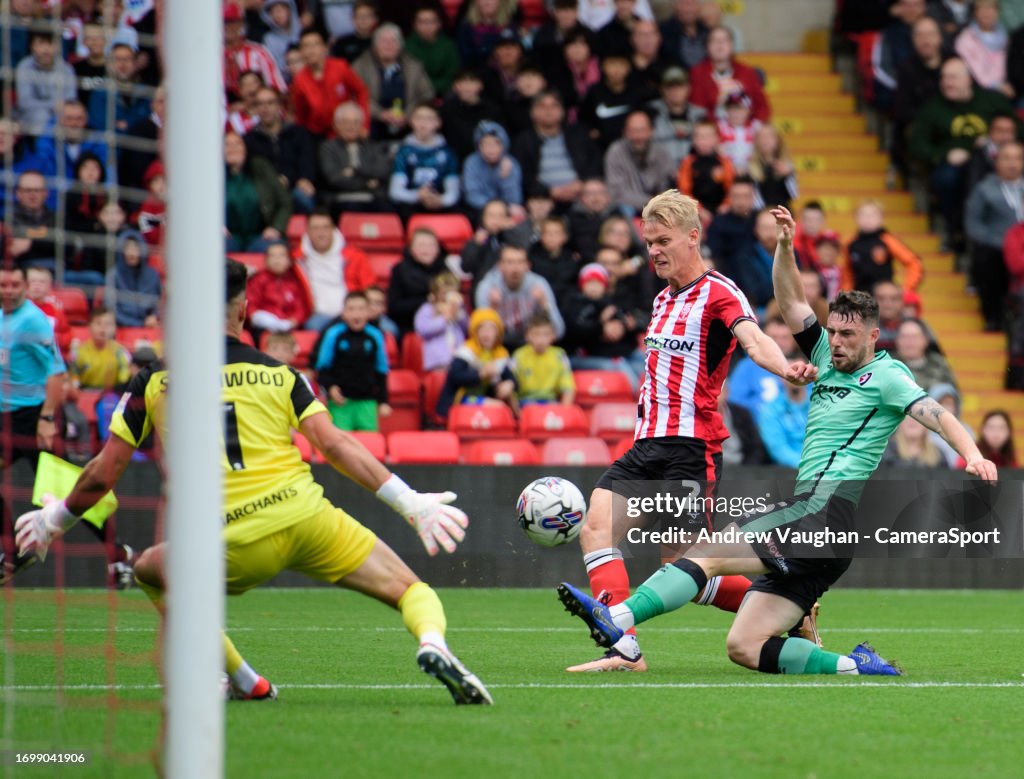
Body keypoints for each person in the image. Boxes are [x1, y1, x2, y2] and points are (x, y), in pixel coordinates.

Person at [14, 260, 492, 705]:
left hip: (227, 541)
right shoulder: (281, 374)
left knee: (148, 570)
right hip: (306, 517)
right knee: (410, 590)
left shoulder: (155, 381)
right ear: (245, 309)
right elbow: (336, 445)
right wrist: (411, 503)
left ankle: (242, 679)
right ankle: (431, 643)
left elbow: (103, 472)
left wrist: (53, 521)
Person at [557, 204, 998, 677]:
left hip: (824, 512)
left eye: (848, 335)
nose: (837, 342)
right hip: (822, 529)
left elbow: (936, 414)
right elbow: (791, 303)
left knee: (704, 553)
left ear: (874, 335)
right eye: (833, 331)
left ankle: (616, 620)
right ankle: (857, 666)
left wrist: (972, 454)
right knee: (744, 647)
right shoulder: (829, 357)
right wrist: (785, 248)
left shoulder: (888, 375)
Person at [563, 190, 817, 672]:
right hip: (645, 446)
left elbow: (753, 337)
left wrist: (784, 369)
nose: (653, 250)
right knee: (596, 527)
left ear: (692, 236)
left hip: (689, 448)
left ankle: (789, 601)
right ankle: (624, 648)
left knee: (683, 567)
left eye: (662, 240)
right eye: (648, 242)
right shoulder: (661, 299)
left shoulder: (720, 291)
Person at [510, 90, 603, 212]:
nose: (548, 111)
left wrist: (581, 183)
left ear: (562, 111)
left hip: (581, 194)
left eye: (554, 106)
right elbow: (523, 177)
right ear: (532, 112)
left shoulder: (578, 134)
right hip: (543, 199)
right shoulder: (523, 141)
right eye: (542, 106)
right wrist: (550, 191)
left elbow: (595, 162)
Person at [964, 141, 1023, 331]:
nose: (1012, 163)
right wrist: (1002, 244)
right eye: (1007, 158)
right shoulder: (984, 188)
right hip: (996, 247)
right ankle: (993, 316)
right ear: (997, 162)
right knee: (986, 261)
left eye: (1018, 158)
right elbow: (973, 224)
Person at [314, 291, 391, 432]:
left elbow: (381, 370)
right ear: (343, 313)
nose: (356, 314)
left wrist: (384, 401)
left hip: (367, 402)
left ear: (368, 312)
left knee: (369, 445)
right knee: (341, 447)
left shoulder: (375, 335)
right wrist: (330, 387)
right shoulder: (333, 334)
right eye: (351, 309)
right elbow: (322, 367)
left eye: (361, 309)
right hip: (341, 403)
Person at [353, 23, 436, 143]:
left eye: (393, 41)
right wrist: (381, 114)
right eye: (383, 41)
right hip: (372, 122)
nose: (388, 45)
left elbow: (427, 94)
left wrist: (408, 114)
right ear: (375, 46)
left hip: (408, 124)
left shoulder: (413, 66)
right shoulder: (360, 66)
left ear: (400, 46)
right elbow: (354, 95)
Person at [474, 244, 565, 351]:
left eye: (520, 262)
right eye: (510, 262)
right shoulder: (487, 287)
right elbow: (481, 336)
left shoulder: (538, 284)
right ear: (500, 266)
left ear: (528, 266)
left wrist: (544, 304)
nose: (515, 268)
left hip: (531, 347)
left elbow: (559, 332)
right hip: (497, 346)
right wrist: (492, 310)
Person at [297, 209, 375, 332]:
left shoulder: (355, 255)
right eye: (315, 228)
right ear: (307, 231)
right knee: (312, 327)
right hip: (318, 315)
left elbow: (368, 286)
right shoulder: (297, 258)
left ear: (333, 229)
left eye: (325, 227)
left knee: (389, 329)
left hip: (353, 313)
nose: (321, 233)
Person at [245, 87, 318, 216]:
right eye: (260, 104)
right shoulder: (249, 140)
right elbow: (250, 172)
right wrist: (274, 182)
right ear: (255, 109)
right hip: (264, 192)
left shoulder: (298, 133)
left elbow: (307, 163)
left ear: (279, 106)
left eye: (270, 103)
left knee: (304, 198)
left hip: (294, 187)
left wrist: (301, 179)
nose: (265, 108)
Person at [435, 307, 514, 418]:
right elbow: (455, 376)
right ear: (474, 332)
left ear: (498, 333)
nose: (487, 334)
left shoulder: (500, 354)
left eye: (491, 329)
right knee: (498, 407)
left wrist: (510, 383)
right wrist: (480, 374)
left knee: (507, 406)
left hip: (485, 396)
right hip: (460, 399)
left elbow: (510, 377)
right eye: (482, 329)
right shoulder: (466, 351)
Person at [291, 27, 370, 139]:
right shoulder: (299, 80)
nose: (310, 50)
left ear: (325, 48)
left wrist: (363, 125)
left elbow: (361, 91)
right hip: (318, 135)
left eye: (315, 45)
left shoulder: (340, 67)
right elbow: (301, 116)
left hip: (348, 130)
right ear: (301, 52)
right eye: (306, 46)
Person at [387, 103, 461, 222]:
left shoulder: (447, 153)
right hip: (411, 205)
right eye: (419, 118)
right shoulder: (403, 152)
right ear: (411, 121)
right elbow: (395, 192)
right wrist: (418, 195)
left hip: (438, 203)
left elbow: (453, 192)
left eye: (429, 119)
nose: (423, 124)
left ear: (438, 123)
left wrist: (440, 200)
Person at [317, 102, 393, 215]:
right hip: (339, 200)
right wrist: (367, 182)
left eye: (355, 122)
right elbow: (333, 179)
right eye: (346, 122)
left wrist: (354, 171)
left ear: (362, 125)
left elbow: (382, 172)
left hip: (372, 199)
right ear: (336, 124)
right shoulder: (328, 147)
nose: (350, 127)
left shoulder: (372, 146)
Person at [688, 26, 770, 123]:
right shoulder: (697, 73)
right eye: (714, 40)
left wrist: (750, 126)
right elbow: (695, 111)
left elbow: (763, 109)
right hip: (711, 131)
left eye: (724, 40)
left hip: (744, 131)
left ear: (732, 46)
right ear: (707, 46)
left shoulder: (747, 73)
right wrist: (718, 103)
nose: (719, 44)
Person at [843, 200, 923, 296]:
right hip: (859, 298)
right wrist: (846, 294)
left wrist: (907, 290)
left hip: (883, 298)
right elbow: (847, 273)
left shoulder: (888, 240)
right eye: (863, 215)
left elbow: (913, 262)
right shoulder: (850, 243)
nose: (868, 219)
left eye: (872, 215)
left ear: (881, 219)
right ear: (856, 218)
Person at [605, 109, 674, 216]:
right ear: (625, 132)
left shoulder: (661, 152)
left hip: (659, 206)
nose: (638, 136)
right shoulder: (615, 151)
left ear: (651, 131)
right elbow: (617, 192)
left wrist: (659, 203)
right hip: (628, 205)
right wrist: (650, 202)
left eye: (642, 130)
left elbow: (668, 184)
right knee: (623, 210)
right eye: (633, 131)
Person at [505, 312, 576, 414]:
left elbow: (568, 388)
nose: (540, 339)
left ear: (553, 336)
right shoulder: (519, 355)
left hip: (551, 402)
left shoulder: (560, 355)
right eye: (536, 334)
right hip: (526, 403)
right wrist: (518, 414)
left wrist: (563, 412)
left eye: (545, 334)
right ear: (527, 335)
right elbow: (510, 386)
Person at [388, 228, 451, 335]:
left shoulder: (446, 271)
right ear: (411, 248)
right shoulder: (400, 270)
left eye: (431, 245)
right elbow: (394, 307)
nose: (426, 249)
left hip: (442, 328)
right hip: (408, 327)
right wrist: (427, 301)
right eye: (421, 245)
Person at [14, 31, 78, 137]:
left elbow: (71, 99)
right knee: (41, 115)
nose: (46, 49)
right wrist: (54, 105)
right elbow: (25, 102)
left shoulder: (67, 69)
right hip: (30, 118)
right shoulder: (24, 67)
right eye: (40, 44)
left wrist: (60, 108)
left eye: (50, 44)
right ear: (32, 46)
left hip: (62, 116)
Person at [246, 241, 313, 339]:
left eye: (281, 256)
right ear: (266, 260)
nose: (277, 260)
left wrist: (293, 321)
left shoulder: (295, 281)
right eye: (272, 256)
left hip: (289, 327)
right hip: (263, 328)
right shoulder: (258, 280)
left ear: (289, 260)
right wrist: (259, 319)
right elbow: (251, 306)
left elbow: (301, 308)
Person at [223, 2, 288, 99]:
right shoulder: (210, 56)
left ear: (241, 24)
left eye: (233, 22)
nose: (228, 27)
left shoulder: (259, 52)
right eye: (225, 23)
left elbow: (277, 89)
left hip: (255, 110)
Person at [647, 67, 707, 172]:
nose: (675, 91)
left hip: (693, 176)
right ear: (662, 89)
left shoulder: (700, 115)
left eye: (680, 86)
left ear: (688, 88)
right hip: (660, 176)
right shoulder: (650, 113)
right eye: (670, 87)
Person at [462, 120, 523, 217]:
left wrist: (505, 178)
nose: (490, 149)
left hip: (506, 211)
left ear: (504, 145)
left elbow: (514, 200)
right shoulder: (471, 162)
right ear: (479, 146)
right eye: (486, 144)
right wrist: (494, 209)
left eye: (496, 144)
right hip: (479, 211)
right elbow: (472, 195)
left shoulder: (511, 163)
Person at [415, 272, 468, 373]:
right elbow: (422, 329)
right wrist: (444, 319)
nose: (447, 297)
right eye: (444, 293)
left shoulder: (458, 310)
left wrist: (458, 313)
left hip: (457, 358)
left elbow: (467, 329)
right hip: (438, 361)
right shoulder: (428, 309)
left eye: (452, 293)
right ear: (436, 294)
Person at [757, 367, 810, 469]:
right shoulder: (771, 410)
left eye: (801, 371)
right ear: (782, 377)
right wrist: (807, 467)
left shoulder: (821, 404)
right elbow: (778, 449)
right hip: (791, 472)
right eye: (793, 371)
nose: (796, 375)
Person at [70, 307, 130, 392]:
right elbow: (73, 380)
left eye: (108, 324)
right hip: (84, 393)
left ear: (115, 328)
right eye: (98, 323)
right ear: (89, 326)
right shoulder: (79, 352)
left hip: (112, 395)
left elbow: (125, 381)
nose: (103, 328)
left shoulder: (120, 352)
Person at [109, 230, 161, 328]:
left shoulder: (153, 275)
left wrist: (155, 316)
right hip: (121, 328)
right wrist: (139, 324)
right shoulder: (113, 275)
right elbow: (111, 310)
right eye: (127, 248)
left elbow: (159, 303)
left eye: (135, 248)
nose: (131, 253)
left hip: (150, 327)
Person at [405, 6, 460, 96]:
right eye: (422, 22)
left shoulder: (448, 45)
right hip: (414, 92)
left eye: (431, 22)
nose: (427, 26)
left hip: (443, 90)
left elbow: (452, 74)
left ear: (439, 24)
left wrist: (432, 86)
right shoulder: (406, 46)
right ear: (414, 25)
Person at [894, 318, 958, 391]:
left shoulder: (938, 363)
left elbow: (954, 394)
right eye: (904, 336)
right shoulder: (889, 364)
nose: (909, 341)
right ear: (897, 340)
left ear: (925, 340)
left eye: (914, 337)